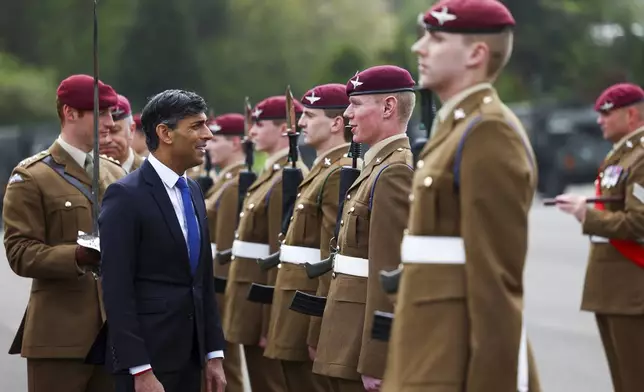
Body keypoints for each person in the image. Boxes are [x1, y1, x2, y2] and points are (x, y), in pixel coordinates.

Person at [382, 1, 542, 391]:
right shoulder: (455, 128)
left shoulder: (488, 132)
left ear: (476, 53)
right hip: (428, 345)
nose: (420, 48)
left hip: (453, 358)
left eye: (436, 39)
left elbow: (497, 285)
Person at [3, 74, 125, 392]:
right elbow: (20, 252)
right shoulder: (31, 177)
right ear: (70, 113)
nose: (110, 123)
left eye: (112, 114)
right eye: (100, 113)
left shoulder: (116, 173)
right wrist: (78, 255)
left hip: (116, 334)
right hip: (59, 337)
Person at [99, 89, 227, 392]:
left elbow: (202, 280)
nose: (207, 134)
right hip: (148, 361)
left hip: (191, 358)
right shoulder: (125, 196)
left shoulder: (193, 191)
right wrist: (139, 369)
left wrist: (214, 353)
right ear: (164, 133)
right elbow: (117, 289)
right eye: (196, 126)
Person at [311, 65, 415, 392]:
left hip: (362, 343)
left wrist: (378, 357)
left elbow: (388, 272)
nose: (347, 113)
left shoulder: (395, 171)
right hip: (346, 332)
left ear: (388, 107)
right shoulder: (375, 169)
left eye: (356, 104)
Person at [554, 83, 644, 392]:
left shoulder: (641, 158)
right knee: (623, 380)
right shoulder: (622, 155)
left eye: (606, 113)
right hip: (612, 289)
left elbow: (638, 223)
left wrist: (585, 215)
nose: (599, 121)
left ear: (631, 114)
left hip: (632, 291)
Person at [263, 83, 353, 391]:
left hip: (307, 314)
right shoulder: (320, 171)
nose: (300, 123)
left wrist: (318, 328)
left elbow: (330, 259)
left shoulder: (338, 173)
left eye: (309, 115)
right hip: (292, 308)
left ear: (336, 123)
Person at [223, 95, 308, 392]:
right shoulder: (270, 174)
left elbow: (278, 251)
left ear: (286, 128)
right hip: (250, 299)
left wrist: (270, 319)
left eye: (260, 124)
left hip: (263, 306)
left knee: (270, 384)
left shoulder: (288, 176)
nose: (253, 132)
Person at [202, 113, 249, 392]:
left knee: (226, 364)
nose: (209, 145)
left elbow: (225, 248)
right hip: (215, 283)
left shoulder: (234, 186)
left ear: (235, 143)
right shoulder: (223, 182)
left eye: (216, 139)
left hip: (220, 286)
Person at [100, 94, 145, 173]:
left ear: (131, 130)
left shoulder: (154, 173)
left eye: (115, 131)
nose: (107, 140)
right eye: (101, 132)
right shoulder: (84, 174)